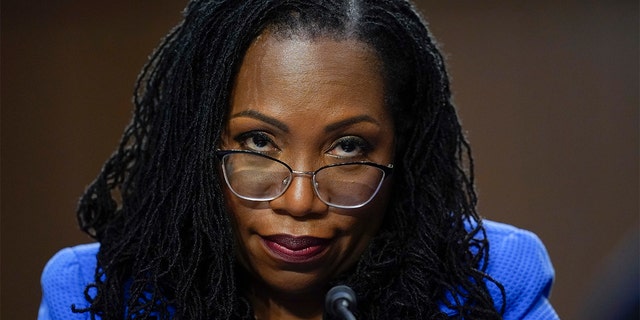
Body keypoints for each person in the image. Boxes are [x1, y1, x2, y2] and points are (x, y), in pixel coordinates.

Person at [38, 1, 559, 319]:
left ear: (405, 154)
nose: (301, 200)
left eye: (348, 148)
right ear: (197, 150)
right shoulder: (95, 298)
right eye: (259, 143)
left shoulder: (490, 286)